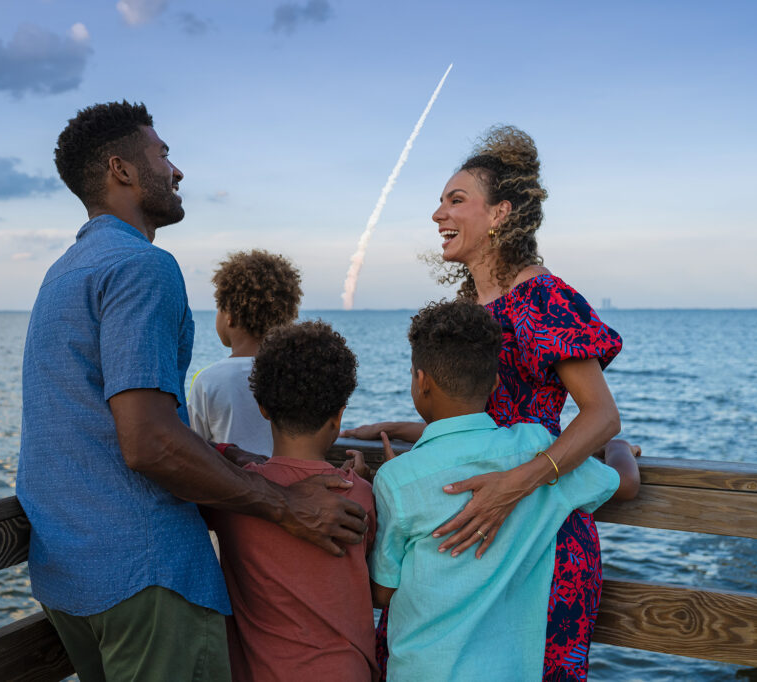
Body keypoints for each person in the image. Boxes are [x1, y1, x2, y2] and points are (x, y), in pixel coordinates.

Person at [16, 101, 367, 682]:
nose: (177, 171)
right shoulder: (143, 267)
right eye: (163, 153)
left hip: (70, 578)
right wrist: (283, 504)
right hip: (146, 572)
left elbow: (99, 426)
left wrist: (243, 464)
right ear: (120, 170)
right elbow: (147, 441)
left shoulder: (64, 272)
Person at [343, 126, 628, 680]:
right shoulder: (467, 304)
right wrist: (415, 429)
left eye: (455, 200)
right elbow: (489, 415)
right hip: (465, 537)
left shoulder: (546, 299)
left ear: (499, 214)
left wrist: (512, 485)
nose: (437, 215)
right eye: (440, 202)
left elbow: (602, 415)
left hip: (536, 536)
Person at [369, 300, 635, 681]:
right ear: (495, 383)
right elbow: (625, 484)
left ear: (421, 380)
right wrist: (618, 448)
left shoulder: (397, 479)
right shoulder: (534, 449)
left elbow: (383, 593)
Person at [205, 320, 379, 682]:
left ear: (263, 407)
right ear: (339, 414)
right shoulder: (358, 494)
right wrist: (356, 480)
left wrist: (228, 452)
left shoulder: (237, 495)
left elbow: (193, 461)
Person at [188, 249, 303, 456]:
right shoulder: (296, 375)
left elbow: (197, 449)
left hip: (229, 486)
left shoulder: (208, 381)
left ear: (230, 315)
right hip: (289, 484)